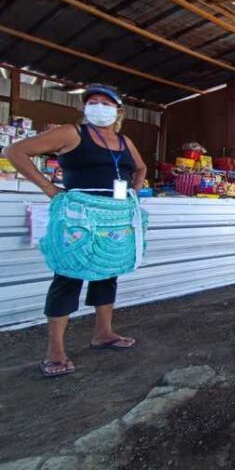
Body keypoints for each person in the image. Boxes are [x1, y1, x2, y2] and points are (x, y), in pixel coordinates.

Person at [3, 85, 147, 377]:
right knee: (68, 274)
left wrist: (133, 193)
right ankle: (55, 350)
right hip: (79, 216)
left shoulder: (124, 141)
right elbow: (15, 151)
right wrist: (49, 189)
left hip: (114, 218)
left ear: (118, 111)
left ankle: (103, 333)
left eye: (106, 102)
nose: (98, 106)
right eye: (92, 101)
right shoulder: (72, 133)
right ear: (84, 108)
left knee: (108, 271)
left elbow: (141, 168)